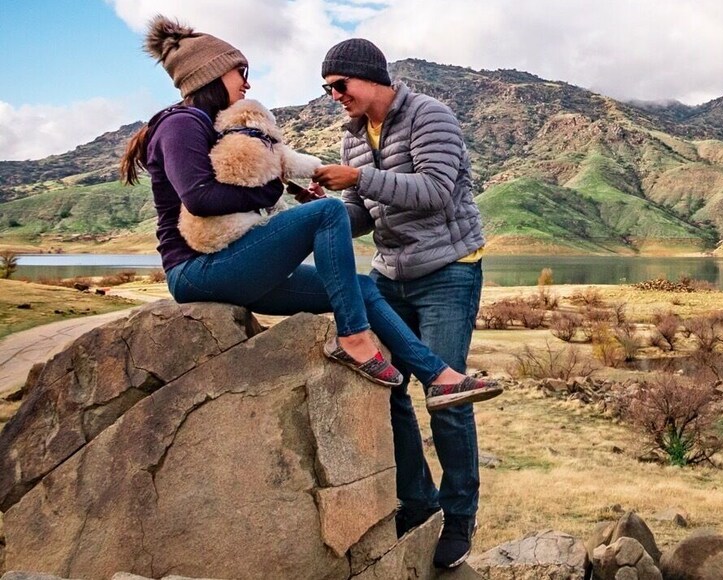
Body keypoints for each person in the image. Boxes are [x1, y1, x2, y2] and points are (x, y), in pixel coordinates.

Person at [119, 16, 497, 403]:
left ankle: (437, 376)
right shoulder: (182, 123)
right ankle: (352, 338)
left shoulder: (209, 124)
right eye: (240, 72)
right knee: (327, 214)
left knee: (362, 286)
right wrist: (274, 190)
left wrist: (307, 210)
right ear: (210, 75)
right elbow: (200, 198)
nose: (246, 84)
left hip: (232, 263)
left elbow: (414, 196)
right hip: (197, 270)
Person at [312, 38, 496, 569]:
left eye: (339, 85)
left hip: (449, 271)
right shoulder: (351, 139)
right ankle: (418, 505)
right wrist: (322, 210)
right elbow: (361, 216)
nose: (334, 96)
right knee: (387, 387)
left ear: (369, 75)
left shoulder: (429, 115)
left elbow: (436, 191)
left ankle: (459, 517)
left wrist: (360, 178)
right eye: (327, 90)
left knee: (448, 396)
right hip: (389, 274)